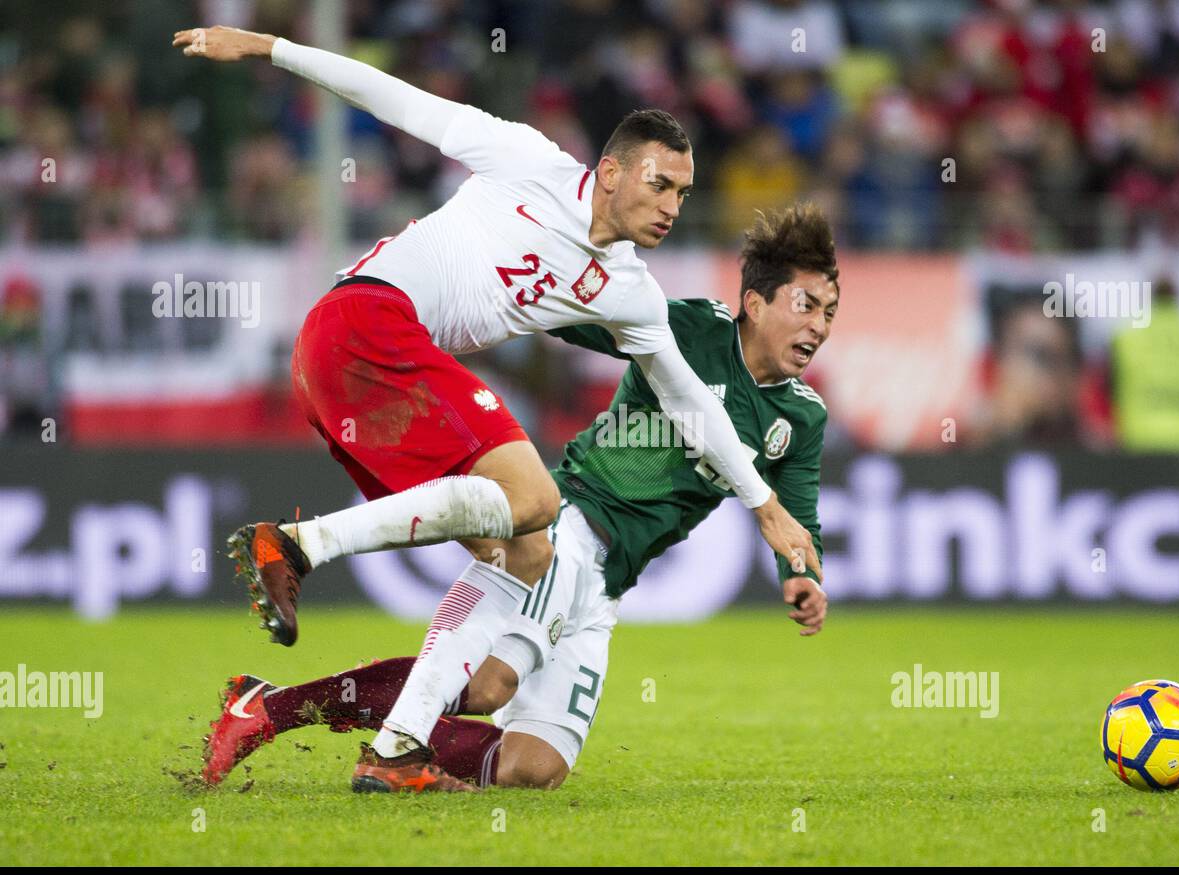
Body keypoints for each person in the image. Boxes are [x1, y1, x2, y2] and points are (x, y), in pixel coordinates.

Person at [170, 27, 819, 653]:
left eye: (683, 192)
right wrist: (268, 47)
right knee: (536, 498)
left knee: (525, 554)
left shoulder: (630, 292)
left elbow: (686, 399)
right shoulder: (528, 159)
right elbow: (397, 99)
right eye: (660, 184)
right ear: (613, 171)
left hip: (354, 366)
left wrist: (764, 506)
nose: (672, 206)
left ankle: (395, 738)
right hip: (364, 320)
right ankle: (297, 545)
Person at [201, 204, 837, 792]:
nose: (819, 325)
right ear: (755, 301)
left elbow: (796, 515)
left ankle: (375, 738)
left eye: (830, 312)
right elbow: (579, 318)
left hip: (612, 580)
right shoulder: (691, 329)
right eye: (807, 305)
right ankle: (287, 715)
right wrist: (512, 292)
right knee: (487, 686)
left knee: (535, 768)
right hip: (571, 528)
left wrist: (800, 575)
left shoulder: (802, 417)